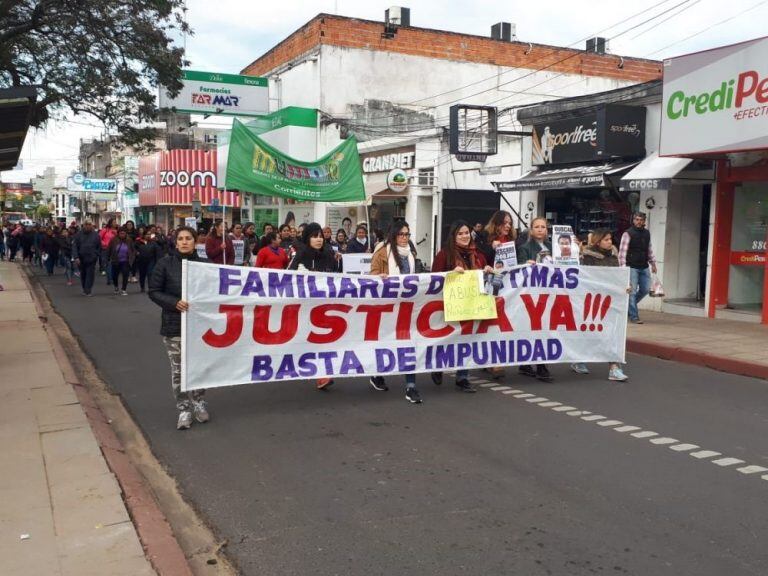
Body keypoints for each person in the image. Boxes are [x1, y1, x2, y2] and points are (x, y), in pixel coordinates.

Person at [148, 226, 208, 430]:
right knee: (179, 370)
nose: (184, 242)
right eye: (180, 238)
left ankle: (199, 401)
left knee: (199, 367)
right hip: (174, 326)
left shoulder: (206, 265)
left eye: (188, 238)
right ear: (175, 242)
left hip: (200, 327)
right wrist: (174, 302)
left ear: (195, 241)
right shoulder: (165, 264)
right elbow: (154, 291)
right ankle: (184, 408)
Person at [431, 220, 494, 393]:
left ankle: (462, 377)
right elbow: (434, 278)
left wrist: (488, 270)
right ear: (453, 236)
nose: (465, 236)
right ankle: (437, 366)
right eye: (460, 233)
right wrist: (450, 274)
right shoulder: (445, 255)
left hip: (473, 305)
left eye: (467, 232)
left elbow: (487, 277)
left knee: (467, 341)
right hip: (452, 305)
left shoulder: (478, 255)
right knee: (448, 339)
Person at [369, 221, 423, 404]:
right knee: (386, 344)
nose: (404, 238)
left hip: (408, 307)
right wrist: (379, 278)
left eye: (407, 234)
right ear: (393, 235)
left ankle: (411, 386)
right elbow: (372, 276)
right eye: (401, 234)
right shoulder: (382, 253)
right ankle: (376, 374)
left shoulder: (411, 254)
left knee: (410, 344)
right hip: (387, 307)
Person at [572, 229, 629, 382]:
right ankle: (579, 359)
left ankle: (614, 368)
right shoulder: (588, 256)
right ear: (598, 241)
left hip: (611, 300)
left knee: (613, 334)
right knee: (589, 331)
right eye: (606, 240)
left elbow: (618, 275)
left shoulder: (613, 255)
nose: (610, 242)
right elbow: (587, 278)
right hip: (593, 300)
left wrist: (625, 285)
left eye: (611, 239)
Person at [288, 222, 340, 390]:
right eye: (314, 236)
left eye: (320, 236)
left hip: (323, 306)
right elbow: (286, 277)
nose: (318, 239)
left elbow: (338, 279)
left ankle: (322, 374)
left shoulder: (329, 254)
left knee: (323, 340)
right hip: (303, 307)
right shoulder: (300, 254)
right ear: (307, 238)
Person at [516, 216, 554, 382]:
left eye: (543, 227)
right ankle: (531, 363)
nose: (540, 229)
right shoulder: (525, 247)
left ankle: (540, 365)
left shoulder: (553, 247)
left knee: (545, 329)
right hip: (531, 295)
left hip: (548, 293)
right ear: (531, 230)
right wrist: (526, 264)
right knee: (531, 329)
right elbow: (517, 268)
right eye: (537, 227)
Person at [619, 212, 657, 324]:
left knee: (646, 289)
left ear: (644, 221)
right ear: (633, 220)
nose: (639, 222)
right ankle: (634, 316)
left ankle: (628, 307)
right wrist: (623, 268)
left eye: (641, 220)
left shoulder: (646, 233)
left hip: (644, 265)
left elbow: (649, 249)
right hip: (631, 267)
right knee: (632, 292)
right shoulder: (628, 233)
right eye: (636, 219)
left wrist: (653, 263)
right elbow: (622, 253)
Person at [72, 221, 101, 296]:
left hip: (92, 258)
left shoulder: (96, 235)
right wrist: (76, 257)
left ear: (92, 225)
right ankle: (84, 288)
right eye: (86, 224)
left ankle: (88, 290)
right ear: (83, 225)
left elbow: (99, 246)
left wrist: (96, 255)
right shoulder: (78, 235)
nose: (88, 226)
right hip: (81, 258)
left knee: (90, 274)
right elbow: (75, 246)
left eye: (89, 224)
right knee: (83, 274)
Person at [107, 227, 135, 296]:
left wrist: (132, 258)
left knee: (125, 275)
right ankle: (116, 287)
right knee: (114, 275)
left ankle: (123, 289)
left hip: (125, 261)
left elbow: (133, 249)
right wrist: (107, 258)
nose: (122, 235)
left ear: (126, 234)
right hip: (115, 260)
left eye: (124, 233)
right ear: (118, 234)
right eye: (121, 233)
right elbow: (109, 249)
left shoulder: (129, 240)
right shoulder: (113, 240)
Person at [98, 218, 117, 283]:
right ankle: (110, 278)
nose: (115, 223)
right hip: (106, 249)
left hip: (115, 249)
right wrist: (104, 244)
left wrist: (116, 233)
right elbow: (98, 238)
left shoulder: (116, 231)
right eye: (114, 222)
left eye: (115, 222)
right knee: (108, 263)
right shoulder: (105, 230)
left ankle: (113, 277)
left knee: (114, 264)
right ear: (110, 223)